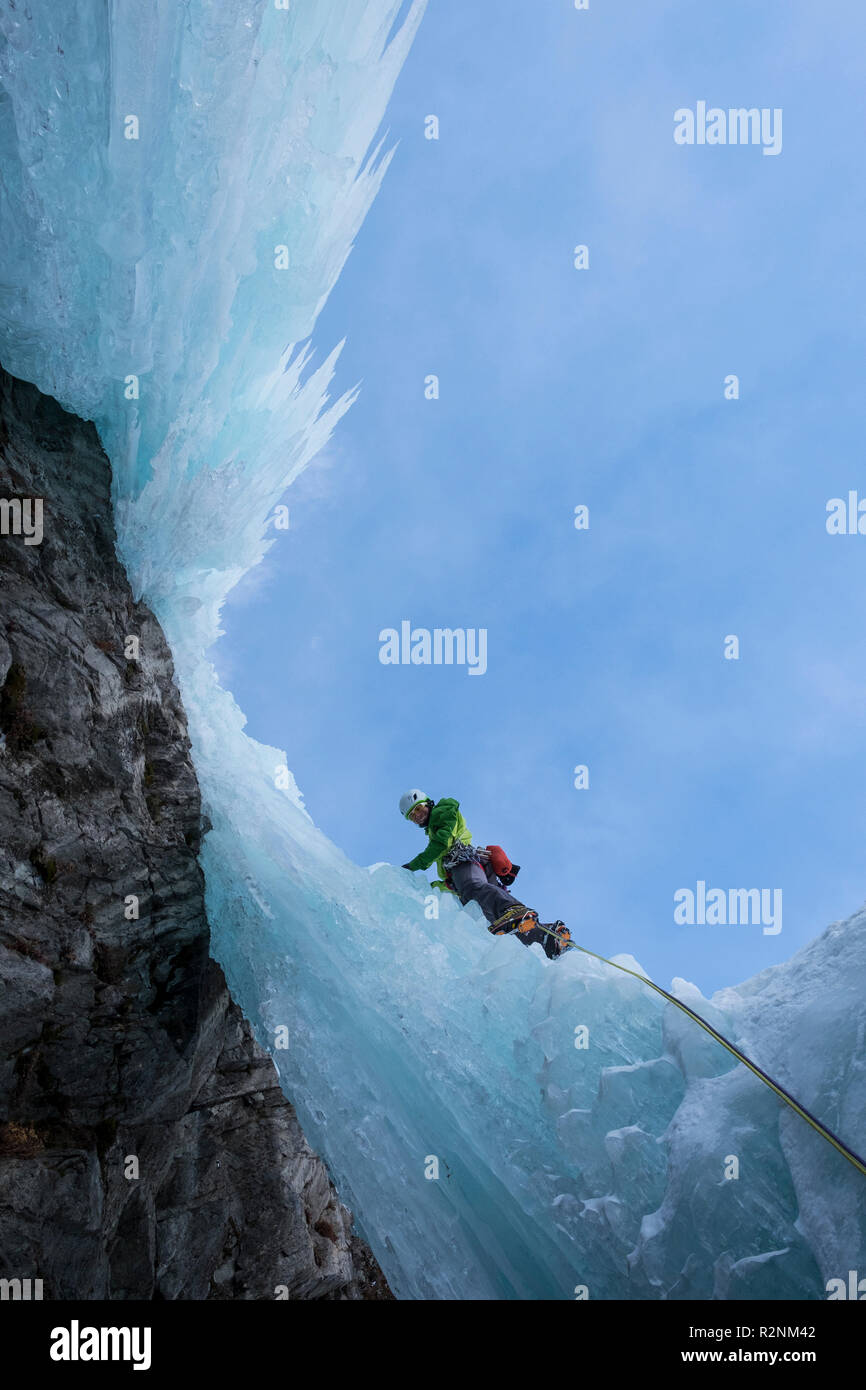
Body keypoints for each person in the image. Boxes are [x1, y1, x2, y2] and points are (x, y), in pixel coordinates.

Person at [399, 789, 570, 959]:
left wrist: (412, 866)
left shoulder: (442, 812)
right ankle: (546, 937)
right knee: (491, 917)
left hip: (464, 863)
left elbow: (442, 843)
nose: (418, 815)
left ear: (428, 803)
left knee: (473, 889)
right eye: (413, 816)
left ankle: (514, 910)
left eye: (419, 809)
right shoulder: (434, 829)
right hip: (473, 869)